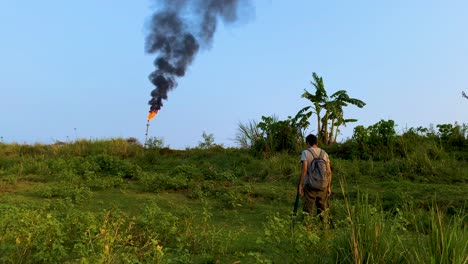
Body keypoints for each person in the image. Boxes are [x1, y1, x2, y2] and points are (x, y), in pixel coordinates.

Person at [298, 134, 332, 219]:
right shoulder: (324, 153)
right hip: (323, 185)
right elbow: (329, 172)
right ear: (316, 142)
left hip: (310, 185)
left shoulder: (305, 152)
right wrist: (328, 187)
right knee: (323, 209)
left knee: (308, 209)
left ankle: (308, 228)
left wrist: (300, 185)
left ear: (307, 143)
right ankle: (324, 228)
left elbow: (305, 169)